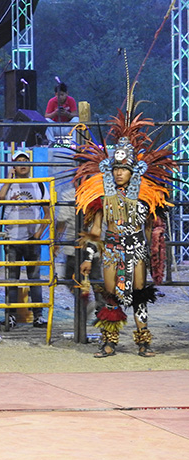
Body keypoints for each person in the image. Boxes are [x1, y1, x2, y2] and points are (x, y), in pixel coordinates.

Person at [75, 114, 176, 358]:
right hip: (111, 251)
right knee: (111, 295)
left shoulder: (146, 198)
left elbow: (154, 231)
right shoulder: (102, 200)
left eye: (124, 169)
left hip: (137, 252)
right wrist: (88, 258)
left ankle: (144, 342)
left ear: (133, 172)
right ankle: (109, 342)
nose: (119, 173)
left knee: (139, 295)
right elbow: (96, 231)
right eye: (116, 169)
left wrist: (157, 258)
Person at [0, 150, 51, 329]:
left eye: (25, 160)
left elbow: (48, 213)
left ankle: (38, 316)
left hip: (31, 238)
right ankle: (10, 315)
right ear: (13, 166)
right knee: (12, 278)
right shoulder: (7, 184)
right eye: (18, 161)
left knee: (34, 278)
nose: (22, 164)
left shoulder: (39, 185)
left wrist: (38, 234)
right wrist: (9, 179)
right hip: (12, 237)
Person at [54, 183, 103, 315]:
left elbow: (62, 221)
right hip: (91, 244)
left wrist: (57, 240)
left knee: (72, 278)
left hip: (76, 244)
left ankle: (89, 304)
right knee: (95, 279)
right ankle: (102, 311)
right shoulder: (97, 193)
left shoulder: (70, 194)